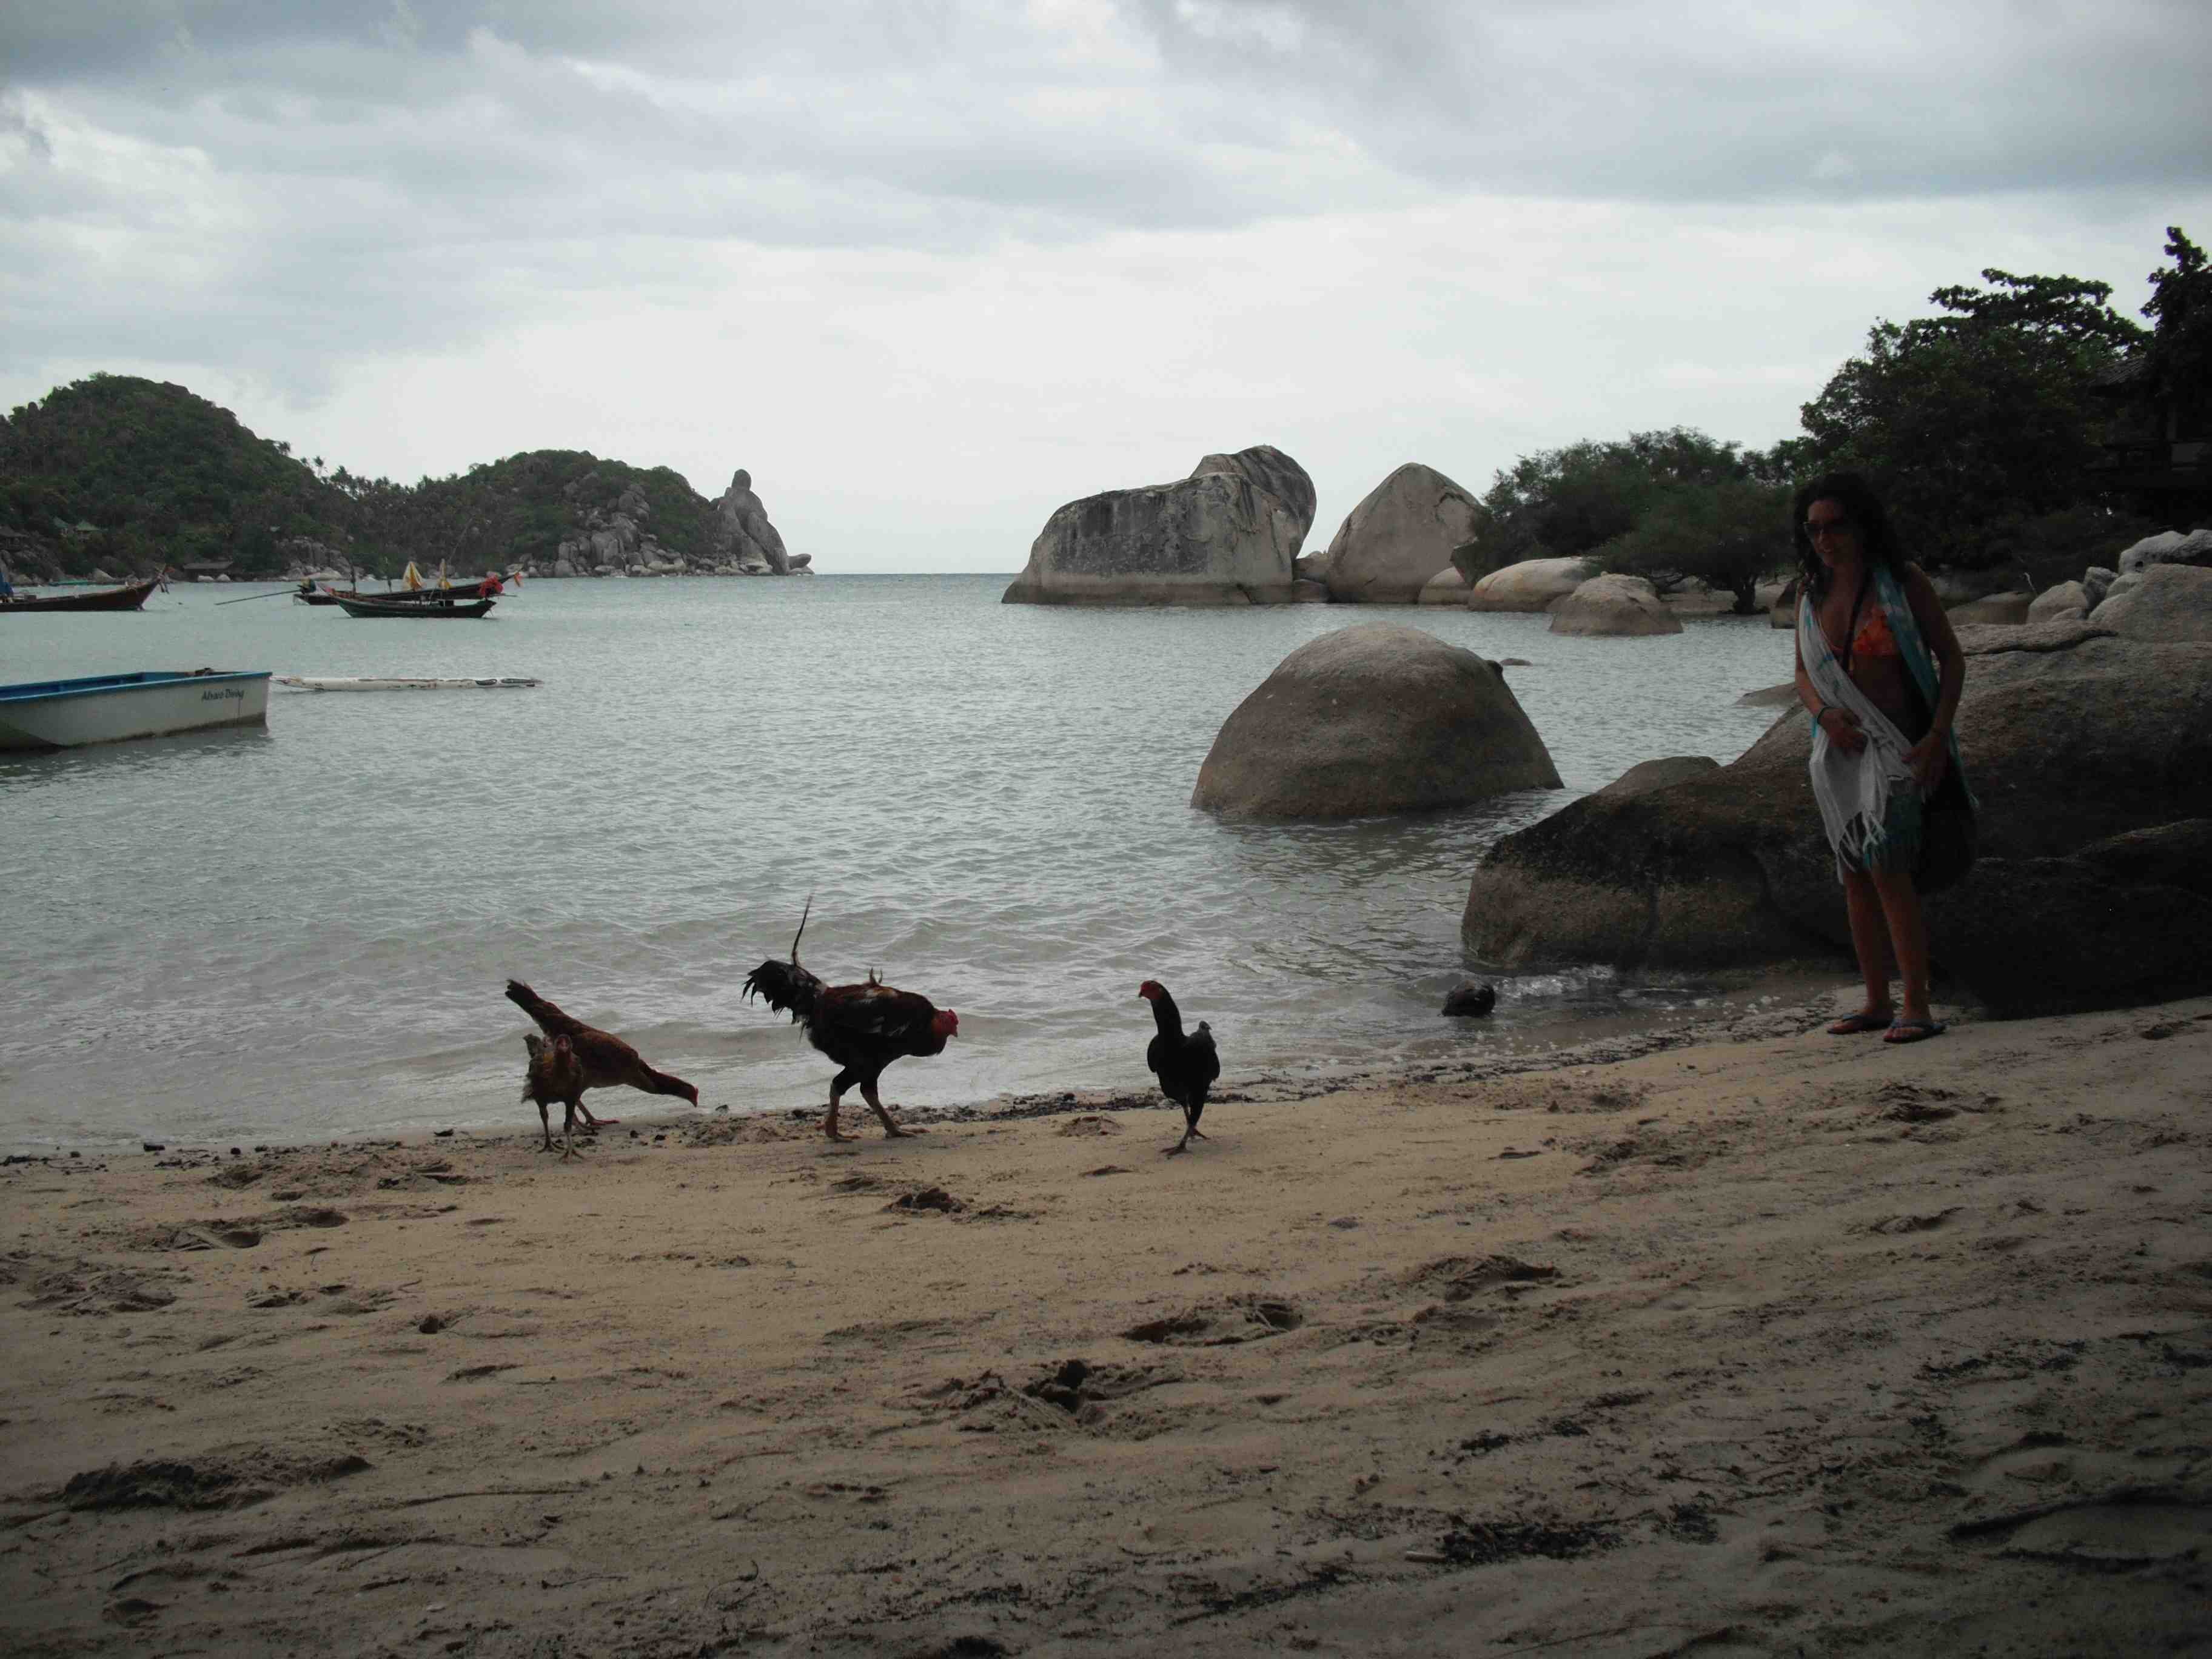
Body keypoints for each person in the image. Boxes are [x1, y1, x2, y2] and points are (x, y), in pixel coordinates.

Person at [1789, 472, 1969, 1044]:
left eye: (1835, 525)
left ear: (1863, 524)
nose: (1824, 538)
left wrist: (1939, 735)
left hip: (1899, 747)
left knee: (1891, 870)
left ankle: (1916, 1004)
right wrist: (1823, 714)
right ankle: (1874, 1000)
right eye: (1814, 528)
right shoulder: (1810, 590)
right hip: (1838, 752)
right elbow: (1801, 671)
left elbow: (1952, 660)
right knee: (1855, 876)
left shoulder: (1902, 583)